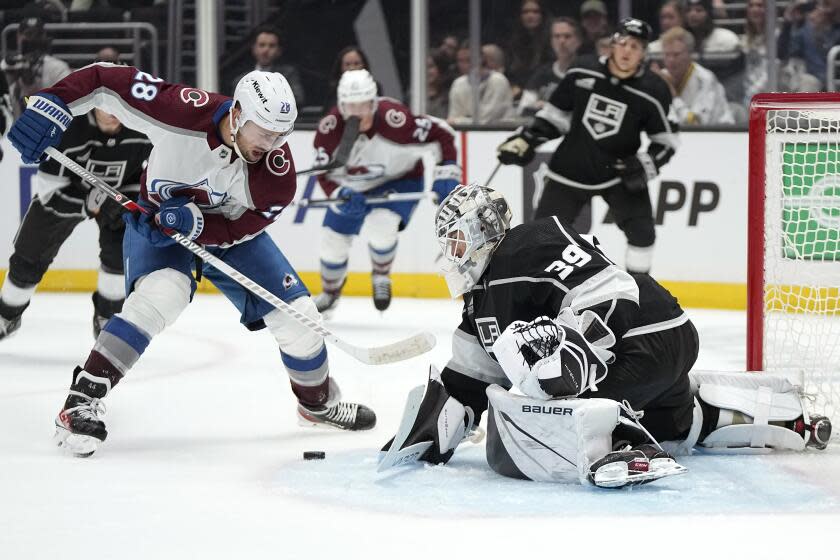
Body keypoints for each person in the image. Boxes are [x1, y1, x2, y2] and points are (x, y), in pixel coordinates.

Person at [6, 64, 376, 457]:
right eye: (263, 132)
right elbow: (102, 79)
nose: (271, 144)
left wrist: (196, 223)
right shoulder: (180, 111)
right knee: (160, 296)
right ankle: (80, 401)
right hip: (158, 227)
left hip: (229, 234)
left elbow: (244, 226)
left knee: (301, 317)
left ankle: (316, 405)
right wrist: (53, 102)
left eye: (280, 135)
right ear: (236, 114)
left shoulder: (276, 174)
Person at [380, 183, 832, 487]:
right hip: (653, 353)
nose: (452, 254)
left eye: (456, 241)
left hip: (643, 337)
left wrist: (576, 353)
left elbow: (612, 288)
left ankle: (617, 443)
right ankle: (775, 418)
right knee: (672, 421)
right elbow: (470, 378)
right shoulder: (482, 297)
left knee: (543, 392)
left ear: (481, 232)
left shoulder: (528, 242)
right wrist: (432, 428)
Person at [496, 18, 677, 275]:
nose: (627, 51)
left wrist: (644, 164)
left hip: (618, 174)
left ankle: (642, 294)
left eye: (635, 46)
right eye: (623, 43)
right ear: (612, 44)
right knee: (541, 237)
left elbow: (666, 142)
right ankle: (537, 290)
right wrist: (527, 138)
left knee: (643, 235)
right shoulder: (583, 71)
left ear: (644, 53)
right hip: (571, 168)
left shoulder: (654, 90)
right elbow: (556, 115)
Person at [312, 69, 459, 313]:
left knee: (382, 225)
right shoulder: (330, 129)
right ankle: (330, 292)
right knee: (331, 243)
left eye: (364, 105)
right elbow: (323, 172)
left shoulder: (395, 119)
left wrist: (446, 172)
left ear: (374, 101)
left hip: (399, 179)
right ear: (341, 105)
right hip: (354, 187)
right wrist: (339, 193)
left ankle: (381, 275)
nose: (358, 114)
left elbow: (441, 133)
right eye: (351, 107)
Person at [0, 108, 151, 341]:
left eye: (118, 103)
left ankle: (107, 317)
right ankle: (7, 314)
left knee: (122, 251)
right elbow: (49, 190)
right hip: (65, 193)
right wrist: (87, 202)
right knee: (28, 256)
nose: (113, 112)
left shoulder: (143, 128)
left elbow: (155, 172)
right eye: (106, 104)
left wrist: (132, 199)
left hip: (120, 194)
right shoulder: (68, 128)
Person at [656, 26, 734, 125]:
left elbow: (695, 124)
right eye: (667, 55)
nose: (671, 60)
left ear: (690, 54)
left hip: (718, 135)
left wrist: (674, 97)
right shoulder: (660, 78)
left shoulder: (705, 79)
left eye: (676, 54)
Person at [1, 16, 70, 119]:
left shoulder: (58, 67)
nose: (32, 39)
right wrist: (14, 80)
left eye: (37, 35)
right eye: (28, 34)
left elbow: (66, 104)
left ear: (44, 37)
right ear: (18, 37)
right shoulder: (9, 65)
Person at [517, 17, 581, 118]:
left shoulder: (588, 72)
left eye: (567, 36)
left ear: (578, 41)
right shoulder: (541, 74)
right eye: (557, 36)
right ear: (551, 41)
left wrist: (547, 107)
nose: (562, 41)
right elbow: (523, 110)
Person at [682, 0, 744, 102]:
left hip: (724, 98)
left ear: (709, 13)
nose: (693, 14)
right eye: (689, 10)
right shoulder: (681, 40)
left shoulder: (726, 39)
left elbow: (736, 77)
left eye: (699, 10)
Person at [232, 26, 305, 105]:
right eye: (262, 45)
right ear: (253, 49)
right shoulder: (241, 79)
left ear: (279, 51)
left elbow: (297, 100)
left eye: (272, 46)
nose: (266, 50)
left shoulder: (289, 74)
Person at [447, 44, 515, 125]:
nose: (464, 65)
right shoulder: (458, 83)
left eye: (468, 60)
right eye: (460, 60)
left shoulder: (498, 81)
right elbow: (453, 118)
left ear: (481, 59)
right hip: (467, 133)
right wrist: (457, 121)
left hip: (499, 133)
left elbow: (488, 119)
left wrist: (460, 121)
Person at [505, 0, 554, 101]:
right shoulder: (515, 40)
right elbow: (510, 71)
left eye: (535, 12)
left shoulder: (552, 40)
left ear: (543, 15)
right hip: (519, 92)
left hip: (544, 91)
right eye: (525, 12)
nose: (530, 15)